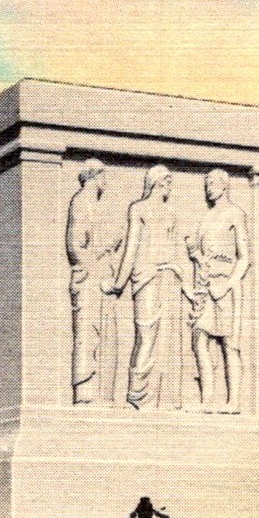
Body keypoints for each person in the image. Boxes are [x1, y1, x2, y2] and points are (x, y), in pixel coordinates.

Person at [105, 165, 190, 409]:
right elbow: (131, 249)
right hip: (146, 277)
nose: (170, 188)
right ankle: (137, 396)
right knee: (146, 335)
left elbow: (175, 249)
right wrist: (118, 284)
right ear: (157, 183)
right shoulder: (138, 208)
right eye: (167, 183)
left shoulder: (171, 212)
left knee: (168, 338)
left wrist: (185, 282)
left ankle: (164, 400)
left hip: (169, 278)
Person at [187, 169, 251, 411]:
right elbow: (203, 256)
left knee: (229, 343)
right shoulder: (207, 217)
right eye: (206, 183)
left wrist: (228, 283)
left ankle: (233, 401)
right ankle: (207, 400)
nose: (208, 187)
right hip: (205, 284)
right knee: (199, 341)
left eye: (213, 183)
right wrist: (196, 254)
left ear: (225, 185)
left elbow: (244, 258)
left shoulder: (235, 213)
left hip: (226, 285)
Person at [66, 160, 119, 403]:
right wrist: (103, 252)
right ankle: (85, 395)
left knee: (102, 335)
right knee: (87, 335)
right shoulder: (81, 201)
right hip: (89, 280)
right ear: (95, 176)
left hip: (99, 279)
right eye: (103, 177)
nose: (105, 183)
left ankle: (100, 396)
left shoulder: (93, 204)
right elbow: (75, 246)